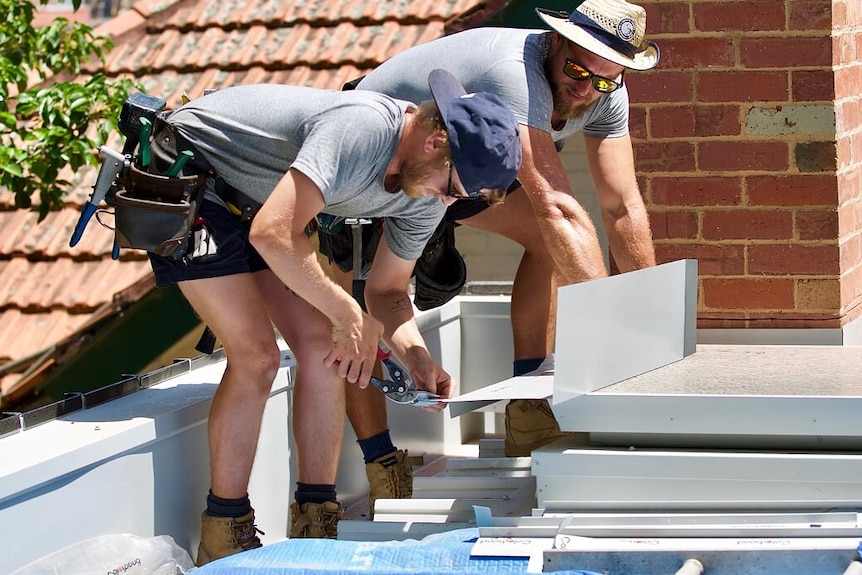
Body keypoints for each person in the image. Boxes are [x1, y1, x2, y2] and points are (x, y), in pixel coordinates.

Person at [137, 70, 521, 565]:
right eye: (454, 187)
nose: (450, 202)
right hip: (187, 173)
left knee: (322, 347)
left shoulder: (426, 195)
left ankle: (316, 520)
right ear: (434, 141)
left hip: (255, 202)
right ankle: (223, 532)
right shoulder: (362, 129)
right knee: (255, 356)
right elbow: (275, 236)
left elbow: (386, 292)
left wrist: (417, 359)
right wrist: (345, 310)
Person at [321, 0, 661, 462]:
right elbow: (558, 208)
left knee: (549, 244)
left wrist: (648, 330)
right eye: (577, 71)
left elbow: (623, 207)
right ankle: (380, 464)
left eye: (603, 80)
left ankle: (528, 411)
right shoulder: (516, 74)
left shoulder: (607, 95)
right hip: (377, 164)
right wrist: (610, 333)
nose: (585, 90)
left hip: (457, 171)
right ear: (557, 40)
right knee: (363, 302)